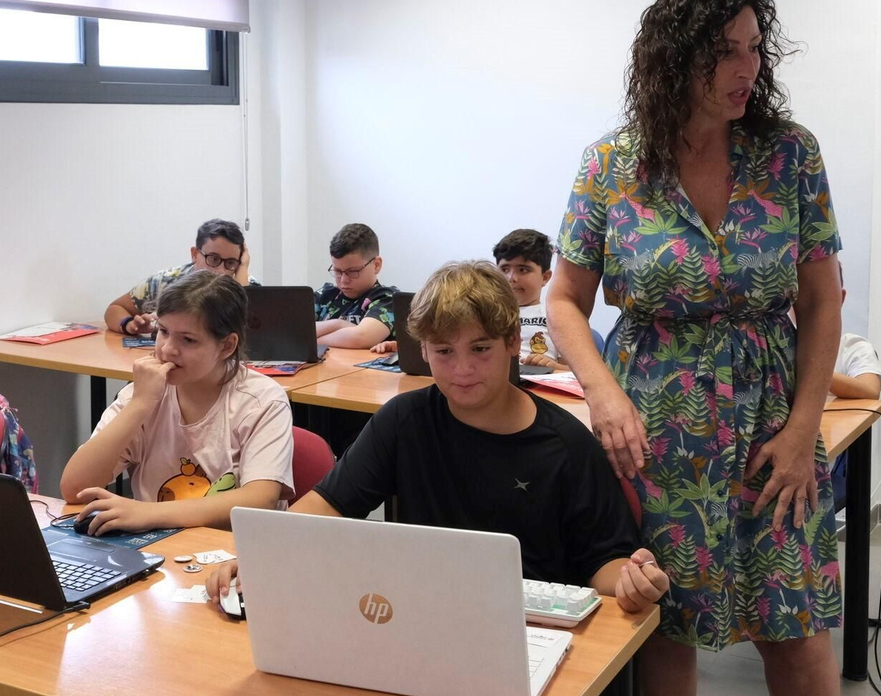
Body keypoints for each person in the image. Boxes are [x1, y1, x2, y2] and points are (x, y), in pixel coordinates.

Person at [546, 0, 844, 696]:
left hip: (775, 419)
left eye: (754, 49)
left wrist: (807, 427)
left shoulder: (791, 156)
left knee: (795, 619)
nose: (747, 69)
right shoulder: (611, 165)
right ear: (674, 57)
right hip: (652, 423)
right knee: (661, 618)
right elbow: (564, 300)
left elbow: (819, 299)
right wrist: (602, 393)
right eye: (725, 52)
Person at [208, 261, 666, 616]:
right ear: (422, 350)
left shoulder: (566, 444)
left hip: (528, 626)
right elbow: (328, 504)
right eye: (444, 352)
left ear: (511, 342)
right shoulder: (404, 419)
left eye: (480, 349)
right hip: (414, 612)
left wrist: (630, 580)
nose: (462, 370)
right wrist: (260, 552)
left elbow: (603, 562)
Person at [62, 272, 294, 534]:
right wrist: (139, 405)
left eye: (188, 340)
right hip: (160, 547)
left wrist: (148, 513)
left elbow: (259, 500)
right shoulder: (142, 394)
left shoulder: (262, 401)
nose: (167, 349)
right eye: (163, 331)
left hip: (236, 551)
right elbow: (75, 489)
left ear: (227, 346)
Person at [103, 219, 257, 336]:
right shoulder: (164, 282)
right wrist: (130, 325)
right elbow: (115, 309)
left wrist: (243, 269)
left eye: (230, 263)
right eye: (213, 259)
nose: (221, 271)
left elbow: (256, 334)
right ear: (195, 255)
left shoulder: (247, 285)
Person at [494, 228, 568, 370]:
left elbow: (578, 374)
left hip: (542, 385)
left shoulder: (558, 316)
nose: (511, 278)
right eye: (504, 269)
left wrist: (553, 367)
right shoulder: (486, 314)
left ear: (545, 277)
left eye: (523, 270)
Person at [314, 223, 397, 349]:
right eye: (337, 271)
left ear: (376, 265)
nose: (343, 280)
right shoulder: (325, 295)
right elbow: (293, 331)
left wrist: (312, 341)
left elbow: (361, 337)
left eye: (353, 272)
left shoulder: (387, 299)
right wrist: (339, 325)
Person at [829, 262, 881, 400]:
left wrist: (810, 374)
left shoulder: (853, 347)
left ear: (840, 298)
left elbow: (871, 392)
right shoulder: (777, 346)